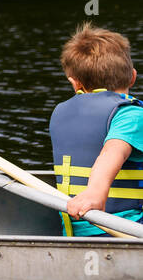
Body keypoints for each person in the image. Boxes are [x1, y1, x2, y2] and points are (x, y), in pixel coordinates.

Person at [52, 23, 143, 236]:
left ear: (74, 84)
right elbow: (113, 151)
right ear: (132, 76)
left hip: (74, 229)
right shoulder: (131, 114)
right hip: (123, 228)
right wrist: (95, 192)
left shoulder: (60, 112)